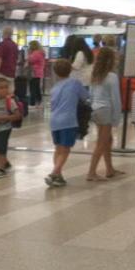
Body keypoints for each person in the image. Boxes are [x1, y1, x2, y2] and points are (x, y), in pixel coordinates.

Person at [46, 58, 88, 188]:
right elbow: (85, 96)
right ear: (71, 69)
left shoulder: (54, 88)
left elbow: (52, 105)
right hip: (68, 120)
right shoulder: (75, 83)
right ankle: (54, 173)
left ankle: (59, 176)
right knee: (66, 149)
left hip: (54, 121)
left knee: (58, 148)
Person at [87, 47, 124, 182]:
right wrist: (117, 118)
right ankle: (91, 172)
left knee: (108, 140)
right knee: (102, 143)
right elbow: (115, 99)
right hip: (106, 110)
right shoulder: (112, 77)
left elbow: (90, 95)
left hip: (96, 110)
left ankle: (110, 169)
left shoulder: (95, 75)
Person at [0, 77, 22, 179]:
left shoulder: (10, 101)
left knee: (2, 147)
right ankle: (6, 163)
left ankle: (1, 169)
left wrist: (5, 118)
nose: (4, 90)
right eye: (1, 88)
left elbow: (18, 115)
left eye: (6, 87)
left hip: (5, 128)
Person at [27, 40, 47, 107]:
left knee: (33, 88)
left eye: (30, 45)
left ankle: (32, 103)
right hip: (38, 73)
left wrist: (29, 54)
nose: (29, 47)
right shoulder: (41, 53)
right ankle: (39, 102)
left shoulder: (36, 53)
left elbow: (30, 60)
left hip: (34, 73)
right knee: (37, 88)